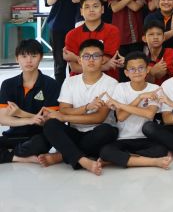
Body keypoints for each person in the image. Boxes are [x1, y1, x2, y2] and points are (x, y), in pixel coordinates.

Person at [40, 40, 119, 175]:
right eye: (86, 56)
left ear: (103, 60)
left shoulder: (111, 83)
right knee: (50, 124)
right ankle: (83, 160)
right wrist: (86, 107)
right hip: (75, 132)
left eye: (96, 56)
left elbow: (99, 118)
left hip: (98, 133)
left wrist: (64, 117)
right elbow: (64, 109)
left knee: (107, 131)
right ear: (80, 60)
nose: (91, 60)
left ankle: (62, 155)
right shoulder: (70, 82)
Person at [98, 52, 172, 169]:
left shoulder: (155, 89)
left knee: (161, 150)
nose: (137, 72)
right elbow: (121, 117)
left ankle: (123, 159)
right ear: (126, 73)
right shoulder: (120, 87)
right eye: (132, 69)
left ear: (147, 70)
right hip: (123, 138)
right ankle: (153, 162)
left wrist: (120, 105)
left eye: (141, 68)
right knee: (105, 151)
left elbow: (149, 114)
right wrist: (139, 97)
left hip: (145, 138)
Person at [0, 39, 60, 164]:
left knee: (38, 144)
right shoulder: (8, 84)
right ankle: (18, 157)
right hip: (13, 135)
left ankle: (7, 154)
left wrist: (20, 113)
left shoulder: (51, 84)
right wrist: (30, 120)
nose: (29, 60)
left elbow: (49, 122)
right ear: (17, 58)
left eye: (33, 56)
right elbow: (3, 119)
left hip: (38, 137)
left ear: (41, 57)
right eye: (24, 56)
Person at [63, 0, 122, 79]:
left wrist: (75, 58)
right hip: (79, 80)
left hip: (107, 79)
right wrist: (105, 67)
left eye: (95, 6)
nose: (91, 10)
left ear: (102, 9)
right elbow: (75, 68)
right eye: (87, 7)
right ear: (81, 11)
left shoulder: (112, 31)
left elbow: (106, 60)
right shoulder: (71, 35)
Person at [44, 0, 81, 83]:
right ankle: (59, 91)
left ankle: (75, 91)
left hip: (77, 26)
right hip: (58, 26)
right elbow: (48, 2)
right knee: (60, 64)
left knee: (77, 63)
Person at [142, 19, 173, 86]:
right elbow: (145, 86)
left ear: (164, 38)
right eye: (151, 34)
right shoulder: (142, 60)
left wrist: (167, 71)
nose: (155, 37)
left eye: (159, 34)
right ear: (144, 39)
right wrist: (151, 73)